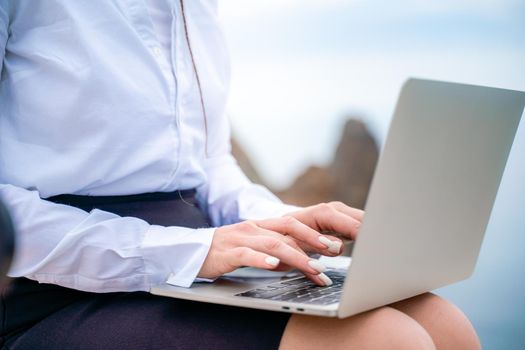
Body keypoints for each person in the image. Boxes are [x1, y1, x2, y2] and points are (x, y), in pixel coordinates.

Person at [0, 1, 481, 349]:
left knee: (444, 322)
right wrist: (189, 251)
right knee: (385, 342)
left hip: (193, 268)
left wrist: (279, 223)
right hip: (49, 289)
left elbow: (208, 165)